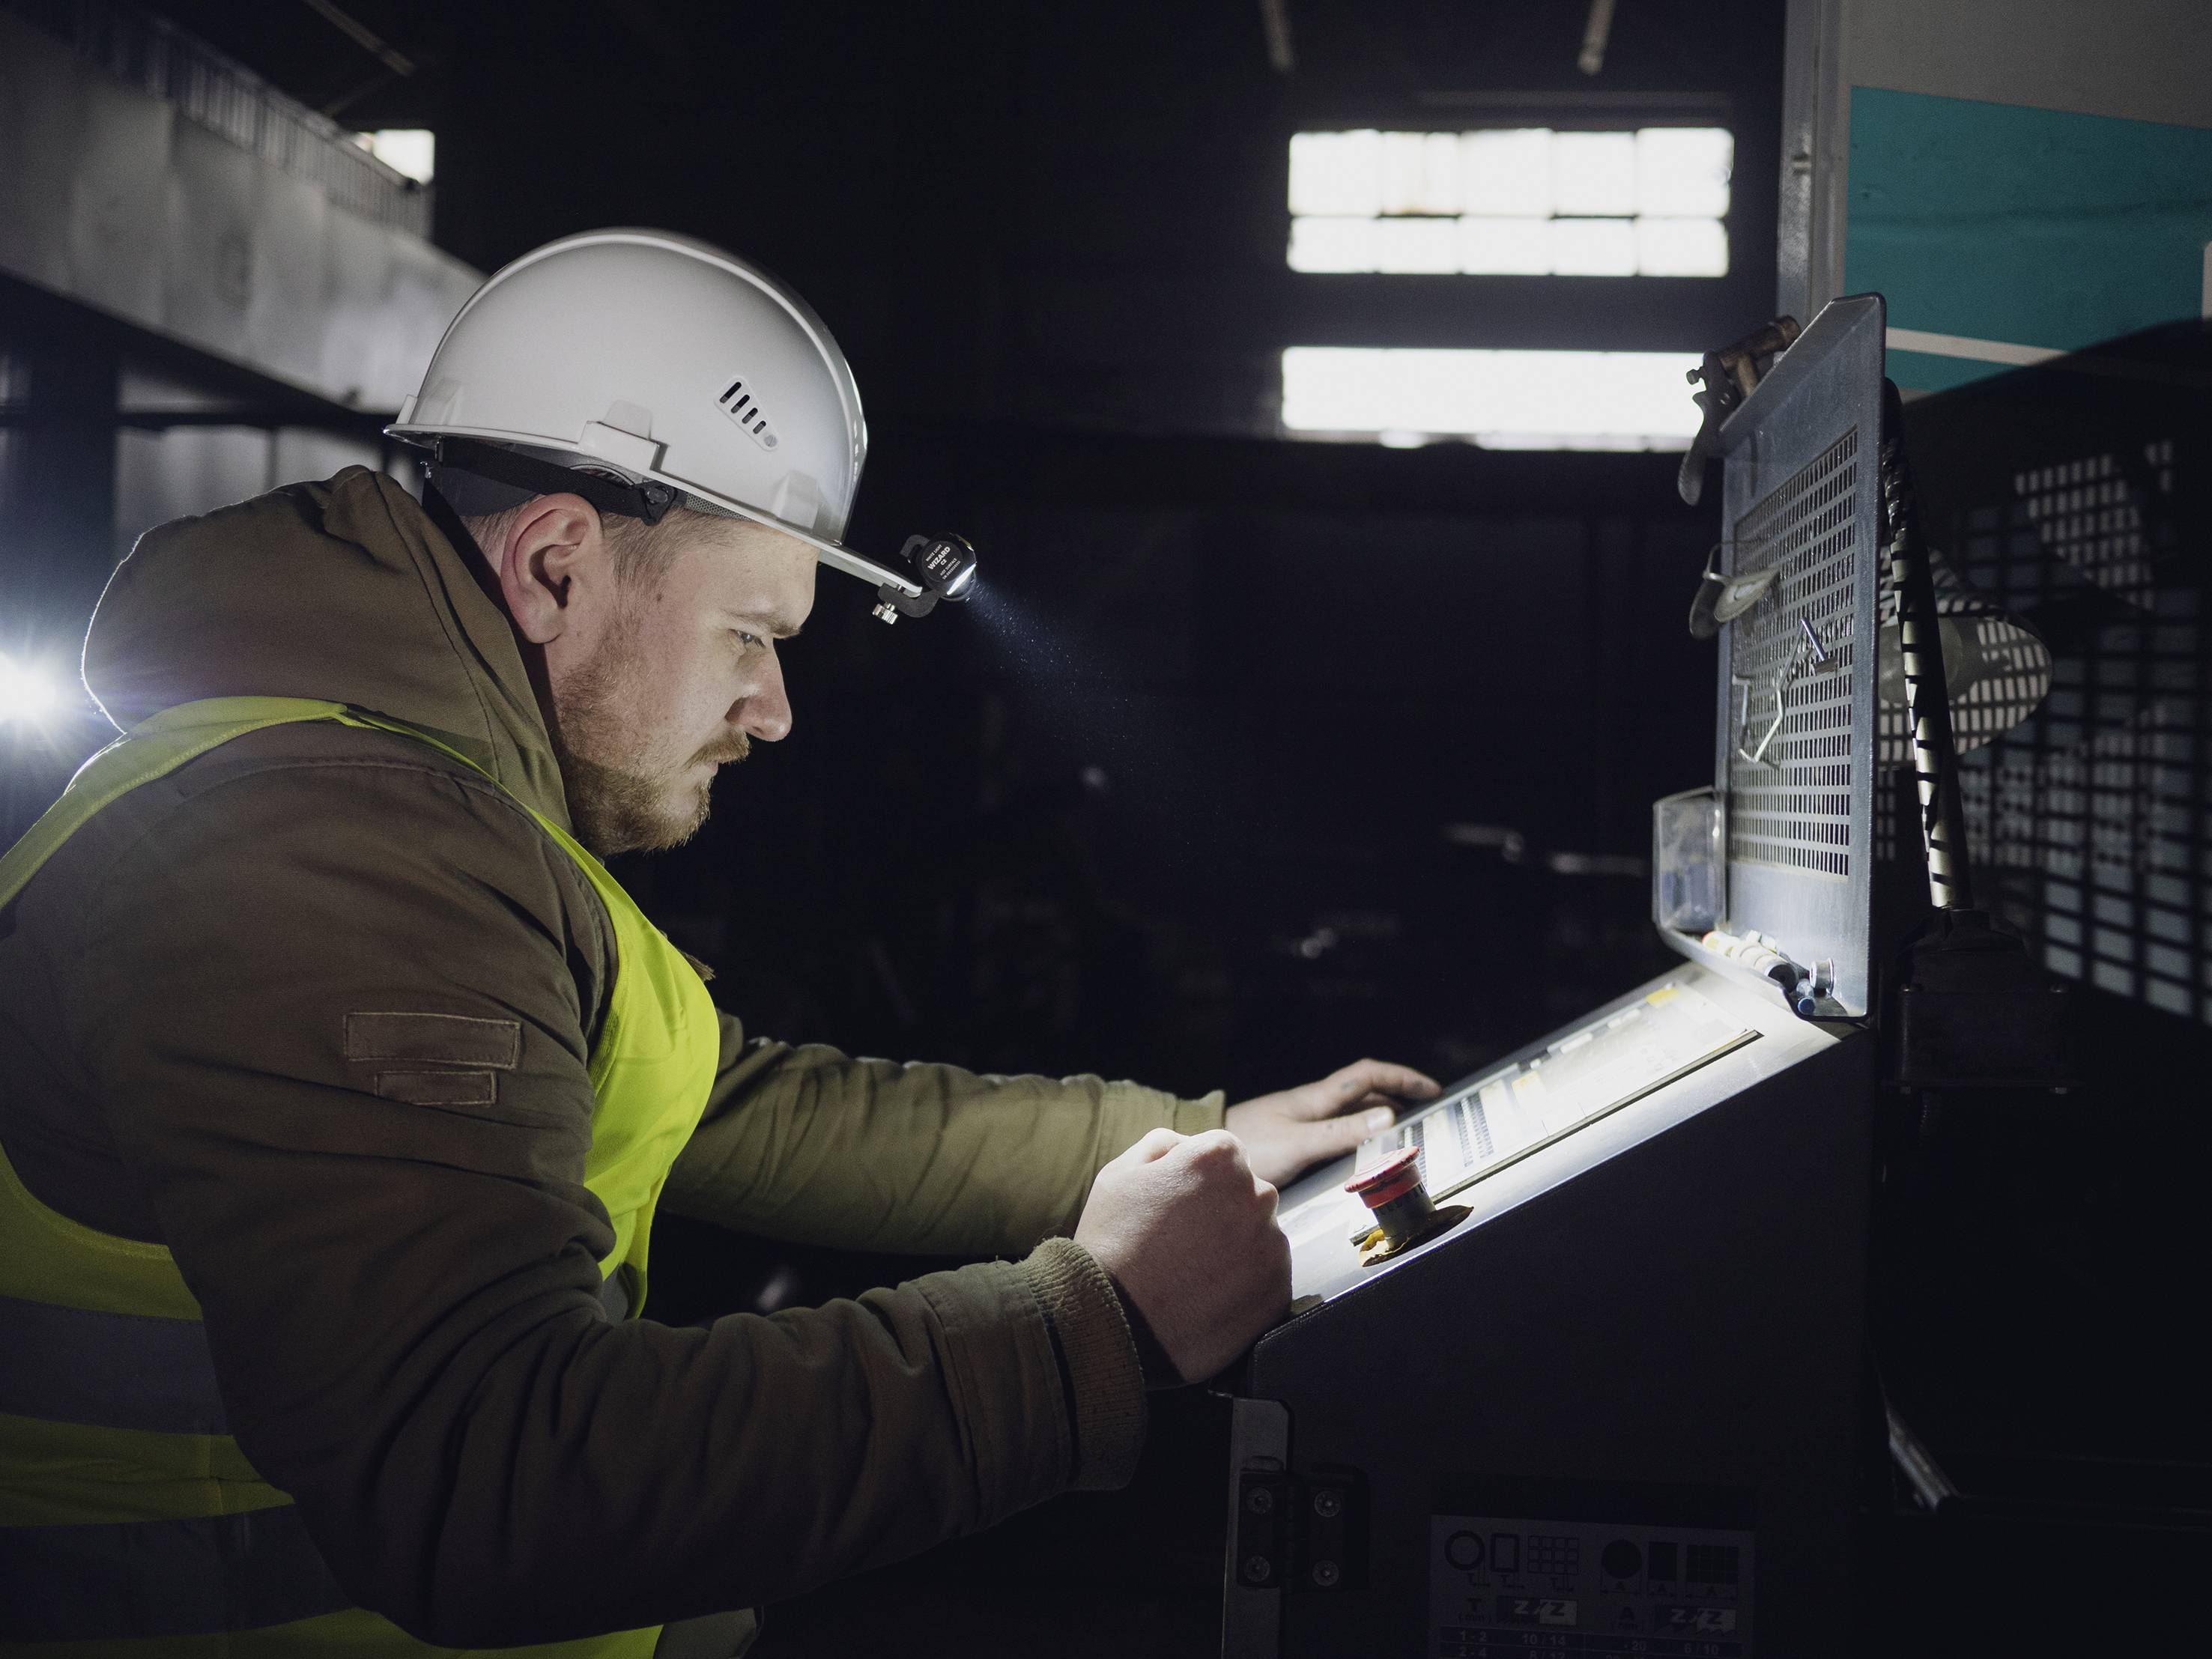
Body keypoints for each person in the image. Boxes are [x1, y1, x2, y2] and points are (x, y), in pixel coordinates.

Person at [0, 229, 1436, 1656]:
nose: (773, 708)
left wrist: (1191, 1138)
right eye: (751, 633)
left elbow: (720, 1099)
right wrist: (1096, 1335)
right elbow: (488, 1487)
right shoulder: (313, 856)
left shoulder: (424, 809)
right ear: (557, 565)